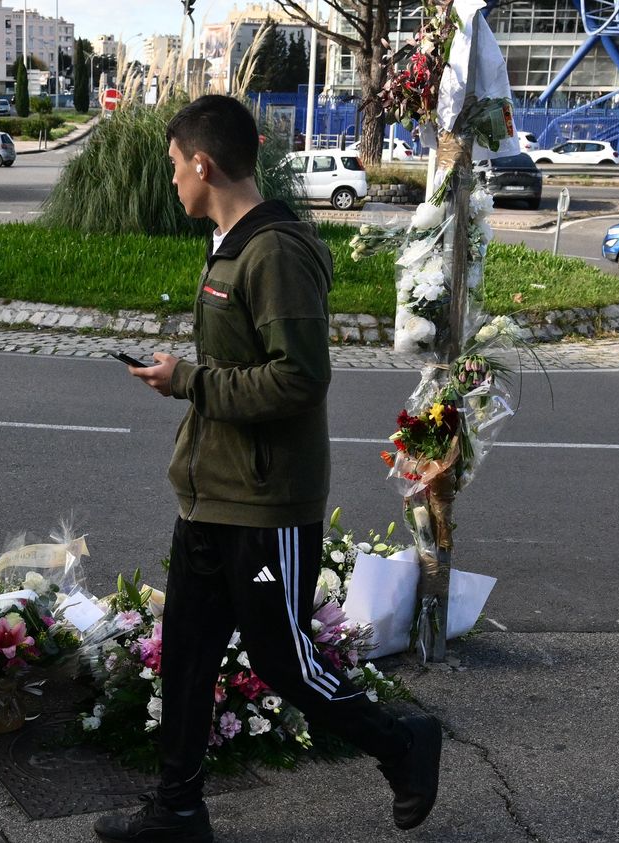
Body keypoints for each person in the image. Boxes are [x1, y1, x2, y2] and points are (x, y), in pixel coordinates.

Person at [94, 95, 443, 843]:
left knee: (282, 660)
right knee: (185, 655)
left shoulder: (275, 251)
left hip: (264, 506)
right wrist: (183, 376)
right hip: (208, 495)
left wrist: (188, 379)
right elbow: (243, 364)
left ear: (202, 163)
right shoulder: (232, 243)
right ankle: (178, 808)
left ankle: (403, 743)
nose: (172, 181)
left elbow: (300, 380)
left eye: (172, 166)